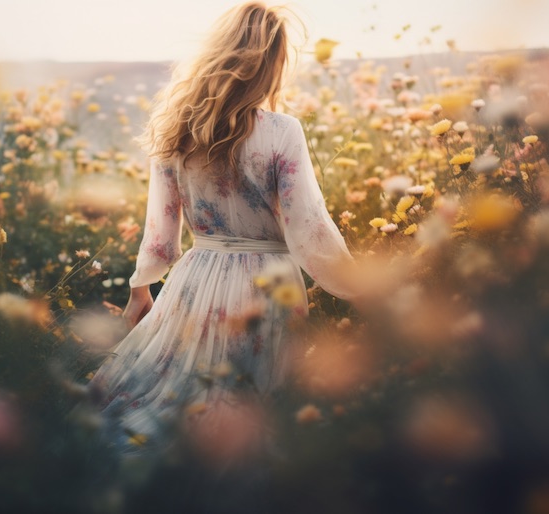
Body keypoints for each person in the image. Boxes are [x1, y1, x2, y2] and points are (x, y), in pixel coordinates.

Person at [85, 1, 360, 463]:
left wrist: (140, 288)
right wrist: (359, 285)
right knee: (252, 400)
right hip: (269, 283)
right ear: (271, 63)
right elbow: (308, 226)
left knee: (178, 390)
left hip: (195, 277)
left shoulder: (176, 132)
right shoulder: (281, 131)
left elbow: (161, 230)